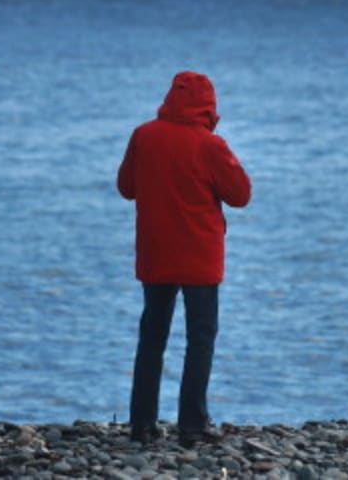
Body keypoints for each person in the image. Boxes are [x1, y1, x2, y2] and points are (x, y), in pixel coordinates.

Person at [116, 71, 251, 447]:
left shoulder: (144, 136)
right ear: (209, 106)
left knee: (152, 337)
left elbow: (126, 187)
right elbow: (240, 195)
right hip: (199, 257)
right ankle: (192, 424)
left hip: (156, 251)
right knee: (200, 338)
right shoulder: (210, 145)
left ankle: (142, 424)